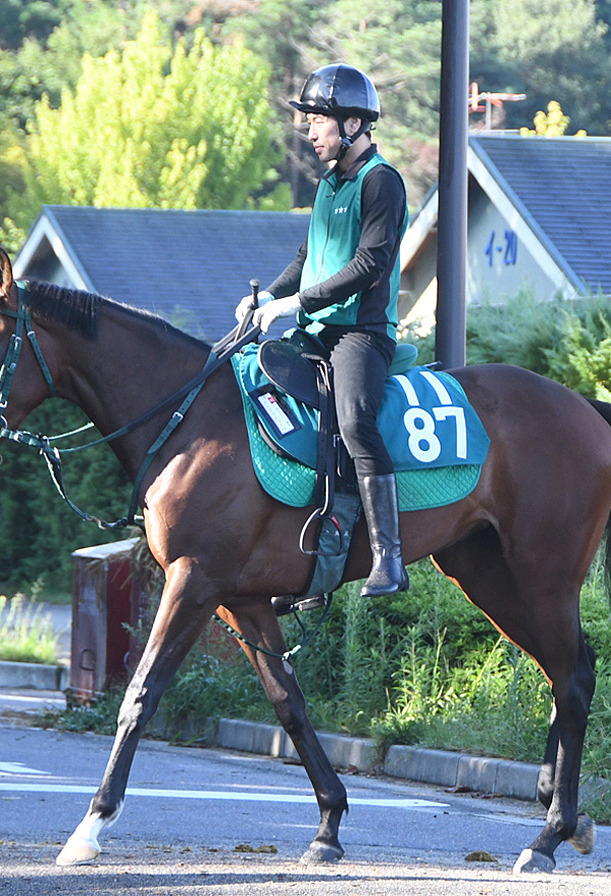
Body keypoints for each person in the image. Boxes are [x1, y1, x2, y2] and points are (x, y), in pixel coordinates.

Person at [236, 63, 410, 597]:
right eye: (309, 120)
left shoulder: (381, 182)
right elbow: (307, 256)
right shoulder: (329, 183)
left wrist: (292, 303)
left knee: (356, 422)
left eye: (318, 120)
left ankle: (389, 559)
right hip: (315, 330)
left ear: (353, 124)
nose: (309, 131)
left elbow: (368, 266)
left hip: (362, 333)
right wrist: (268, 297)